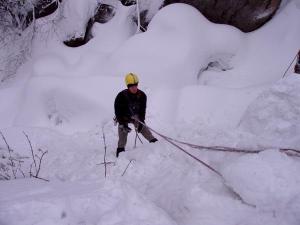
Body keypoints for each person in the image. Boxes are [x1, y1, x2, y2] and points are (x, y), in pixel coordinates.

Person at [114, 73, 158, 157]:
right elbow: (118, 112)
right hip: (123, 117)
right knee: (123, 131)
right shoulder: (121, 96)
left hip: (135, 116)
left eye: (135, 85)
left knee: (143, 126)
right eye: (131, 86)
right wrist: (122, 123)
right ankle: (120, 149)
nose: (134, 87)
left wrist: (141, 120)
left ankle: (153, 141)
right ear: (128, 86)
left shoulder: (142, 95)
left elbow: (142, 111)